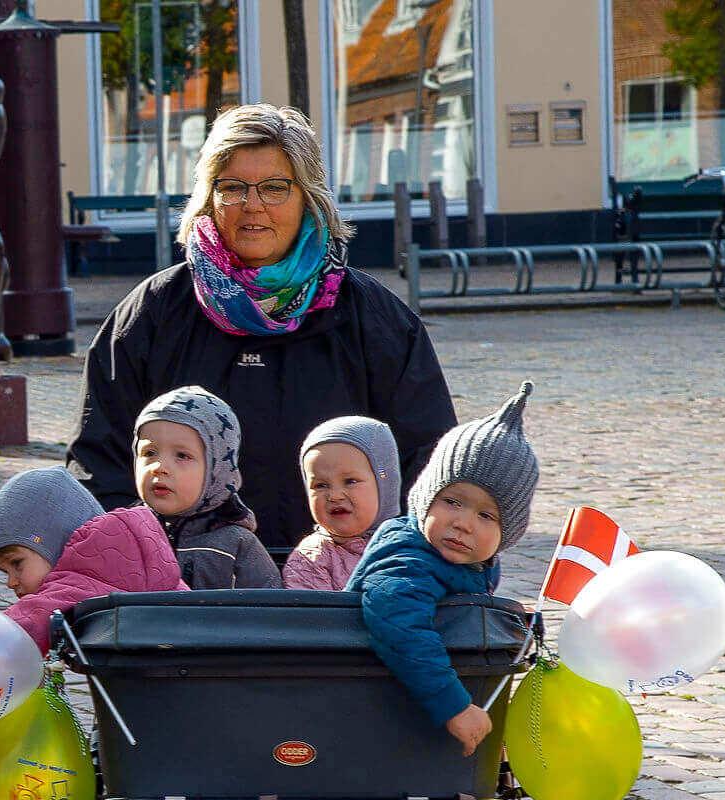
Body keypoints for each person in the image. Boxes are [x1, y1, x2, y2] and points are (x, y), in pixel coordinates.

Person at [68, 105, 456, 552]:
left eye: (274, 188)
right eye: (232, 188)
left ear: (308, 197)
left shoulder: (375, 319)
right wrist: (140, 561)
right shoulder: (153, 314)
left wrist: (391, 564)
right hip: (184, 590)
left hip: (344, 588)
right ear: (208, 197)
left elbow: (429, 463)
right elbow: (99, 464)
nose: (252, 206)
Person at [348, 382, 541, 757]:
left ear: (508, 532)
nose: (464, 523)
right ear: (424, 498)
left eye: (486, 515)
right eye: (452, 501)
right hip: (373, 702)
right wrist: (452, 705)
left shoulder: (471, 561)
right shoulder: (409, 559)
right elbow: (400, 625)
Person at [0, 467, 185, 654]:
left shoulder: (84, 575)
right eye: (4, 571)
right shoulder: (134, 557)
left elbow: (29, 623)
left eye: (16, 564)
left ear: (55, 543)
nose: (11, 582)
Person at [132, 387, 279, 590]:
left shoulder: (236, 545)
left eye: (182, 456)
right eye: (149, 452)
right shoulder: (123, 532)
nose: (160, 467)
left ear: (217, 471)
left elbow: (270, 614)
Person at [282, 416, 401, 590]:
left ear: (385, 483)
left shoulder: (413, 544)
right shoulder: (311, 558)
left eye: (350, 481)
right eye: (320, 485)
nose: (335, 496)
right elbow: (311, 615)